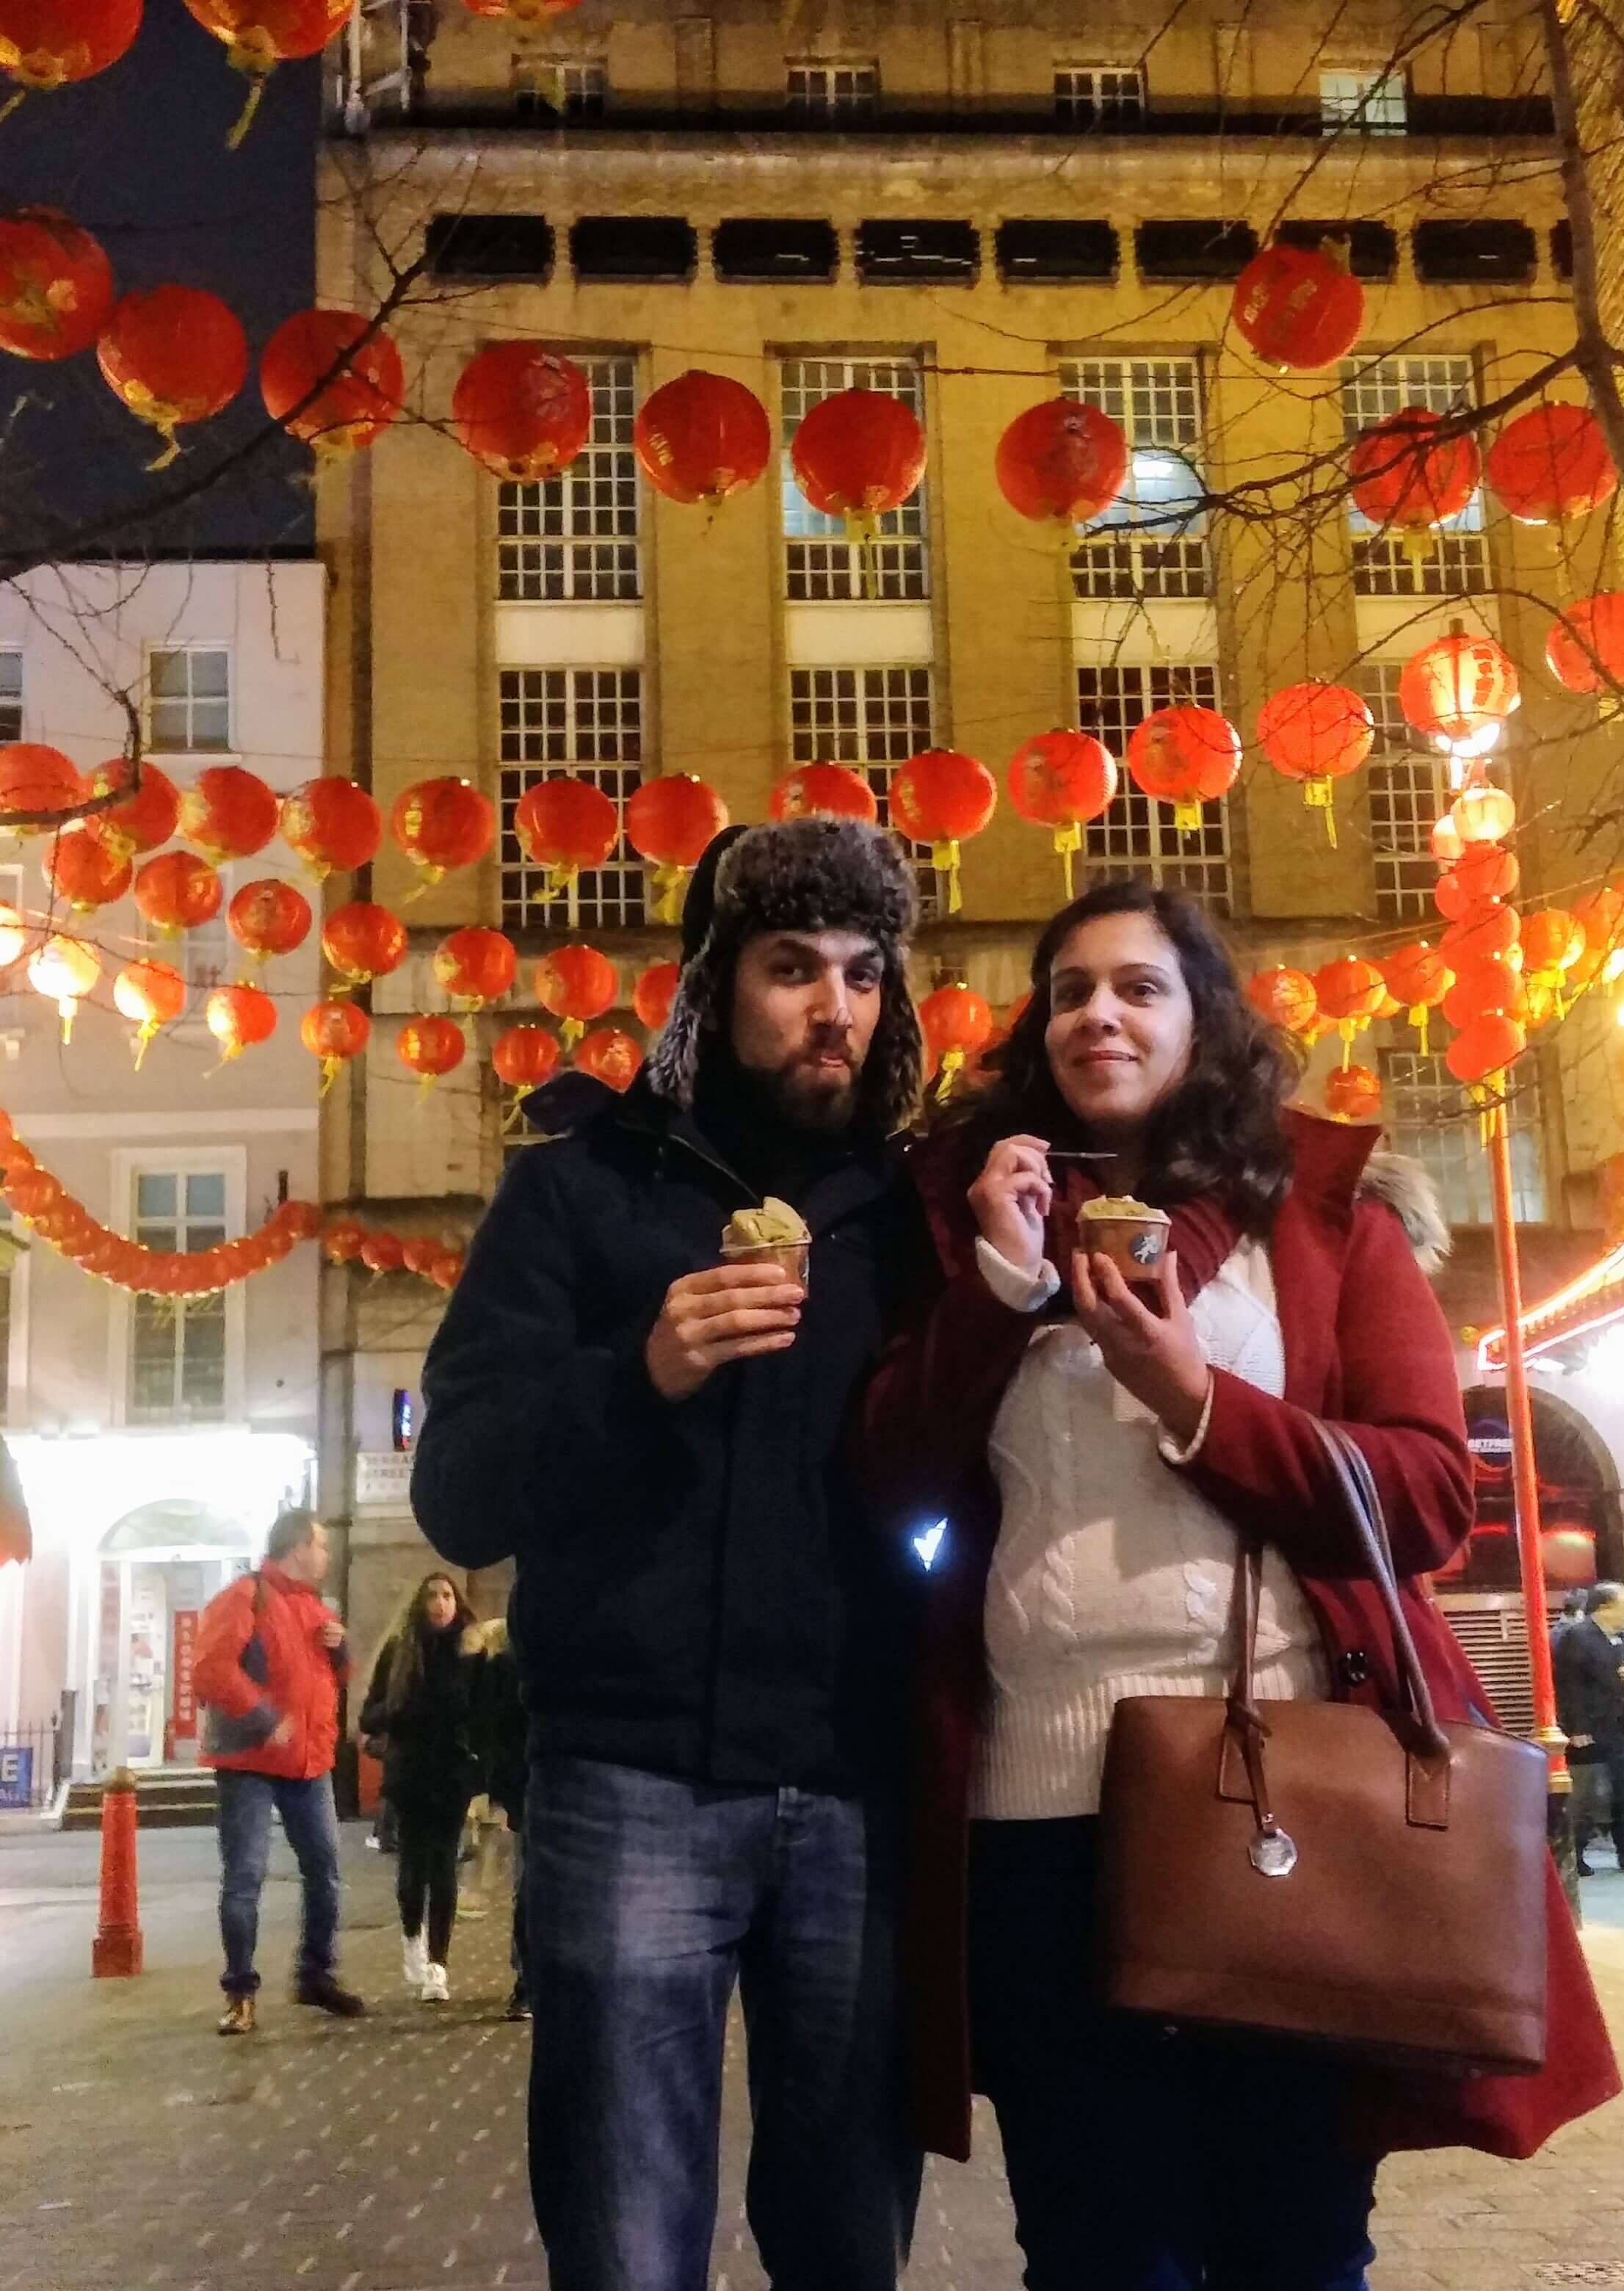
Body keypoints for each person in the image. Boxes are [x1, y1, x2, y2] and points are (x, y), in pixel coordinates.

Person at [858, 880, 1619, 2291]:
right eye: (1070, 987)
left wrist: (1198, 1398)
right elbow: (891, 1482)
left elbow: (1428, 1496)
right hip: (1034, 1815)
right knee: (1094, 2251)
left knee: (1294, 2241)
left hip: (1267, 1799)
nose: (1100, 1013)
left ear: (1204, 1017)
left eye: (1140, 986)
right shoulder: (973, 1220)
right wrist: (996, 1293)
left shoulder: (1322, 1224)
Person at [413, 816, 929, 2291]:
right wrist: (636, 1372)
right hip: (632, 1784)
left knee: (849, 2239)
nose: (832, 1007)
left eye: (860, 973)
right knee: (630, 2240)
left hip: (850, 1787)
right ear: (713, 984)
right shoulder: (584, 1185)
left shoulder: (906, 1214)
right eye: (789, 968)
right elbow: (459, 1489)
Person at [190, 1507, 365, 2033]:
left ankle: (315, 1974)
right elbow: (210, 1670)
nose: (327, 1555)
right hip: (250, 1761)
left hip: (309, 1761)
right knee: (245, 1877)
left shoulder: (314, 1606)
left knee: (325, 1871)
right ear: (297, 1547)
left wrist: (343, 1650)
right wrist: (266, 1718)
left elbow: (330, 1679)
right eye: (321, 1545)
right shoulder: (246, 1596)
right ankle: (240, 1991)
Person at [360, 1571, 479, 2002]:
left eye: (448, 1595)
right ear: (419, 1604)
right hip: (410, 1773)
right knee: (413, 1869)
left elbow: (485, 1709)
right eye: (432, 1595)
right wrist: (396, 1710)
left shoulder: (470, 1651)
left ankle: (438, 1967)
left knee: (444, 1868)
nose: (440, 1603)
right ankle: (413, 1936)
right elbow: (368, 1716)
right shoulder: (400, 1652)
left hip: (451, 1774)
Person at [1554, 1582, 1624, 1875]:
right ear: (1604, 1609)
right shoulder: (1577, 1638)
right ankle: (1574, 1852)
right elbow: (1568, 1687)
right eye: (1623, 1609)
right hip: (1592, 1729)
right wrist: (1575, 1728)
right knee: (1592, 1798)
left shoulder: (1622, 1639)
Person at [466, 1615, 534, 2019]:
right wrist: (502, 1790)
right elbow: (492, 1730)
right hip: (532, 1784)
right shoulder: (506, 1667)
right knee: (530, 1885)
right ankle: (527, 1981)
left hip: (579, 1778)